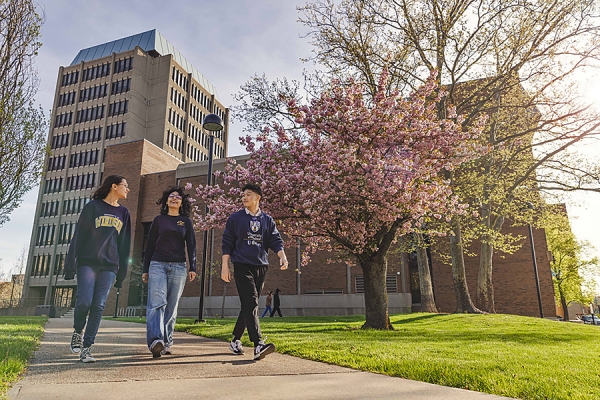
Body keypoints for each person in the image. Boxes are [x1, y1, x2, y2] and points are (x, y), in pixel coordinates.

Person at [64, 175, 131, 363]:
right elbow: (78, 235)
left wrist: (122, 272)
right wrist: (70, 265)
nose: (128, 189)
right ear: (114, 186)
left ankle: (86, 348)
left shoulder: (124, 213)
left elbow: (125, 244)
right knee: (84, 300)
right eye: (126, 186)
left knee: (98, 306)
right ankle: (78, 331)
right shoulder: (92, 207)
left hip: (109, 266)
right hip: (87, 262)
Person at [222, 183, 289, 360]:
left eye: (248, 194)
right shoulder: (235, 218)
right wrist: (225, 266)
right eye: (243, 194)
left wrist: (282, 256)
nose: (244, 197)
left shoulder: (267, 220)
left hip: (261, 266)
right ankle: (258, 343)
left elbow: (275, 239)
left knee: (248, 305)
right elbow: (227, 242)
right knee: (251, 302)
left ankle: (235, 339)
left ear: (258, 198)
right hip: (242, 265)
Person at [142, 187, 197, 358]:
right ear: (166, 201)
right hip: (158, 264)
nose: (174, 199)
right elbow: (149, 245)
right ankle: (155, 341)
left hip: (179, 267)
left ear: (182, 203)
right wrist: (145, 269)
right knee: (157, 303)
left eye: (178, 197)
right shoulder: (159, 220)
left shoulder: (185, 222)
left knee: (171, 307)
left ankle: (166, 342)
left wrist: (192, 267)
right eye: (171, 197)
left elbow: (192, 245)